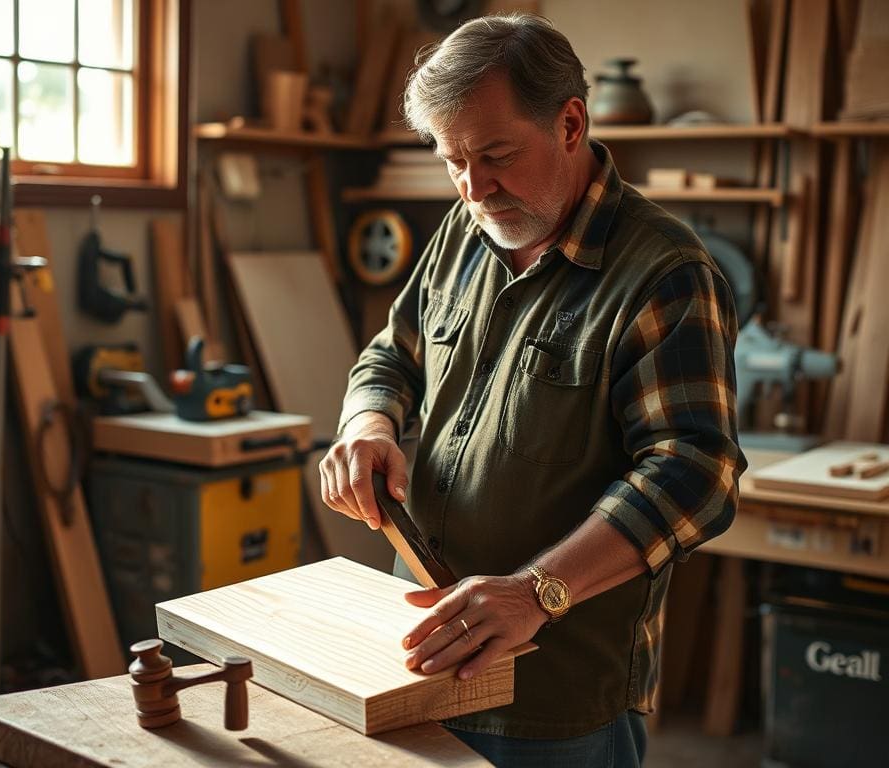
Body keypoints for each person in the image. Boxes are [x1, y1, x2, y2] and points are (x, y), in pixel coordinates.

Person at [319, 13, 746, 768]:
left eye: (496, 155)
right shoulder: (465, 229)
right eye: (453, 161)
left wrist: (536, 591)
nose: (475, 187)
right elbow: (393, 354)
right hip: (417, 652)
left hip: (555, 697)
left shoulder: (664, 273)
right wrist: (368, 423)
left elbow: (695, 475)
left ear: (571, 123)